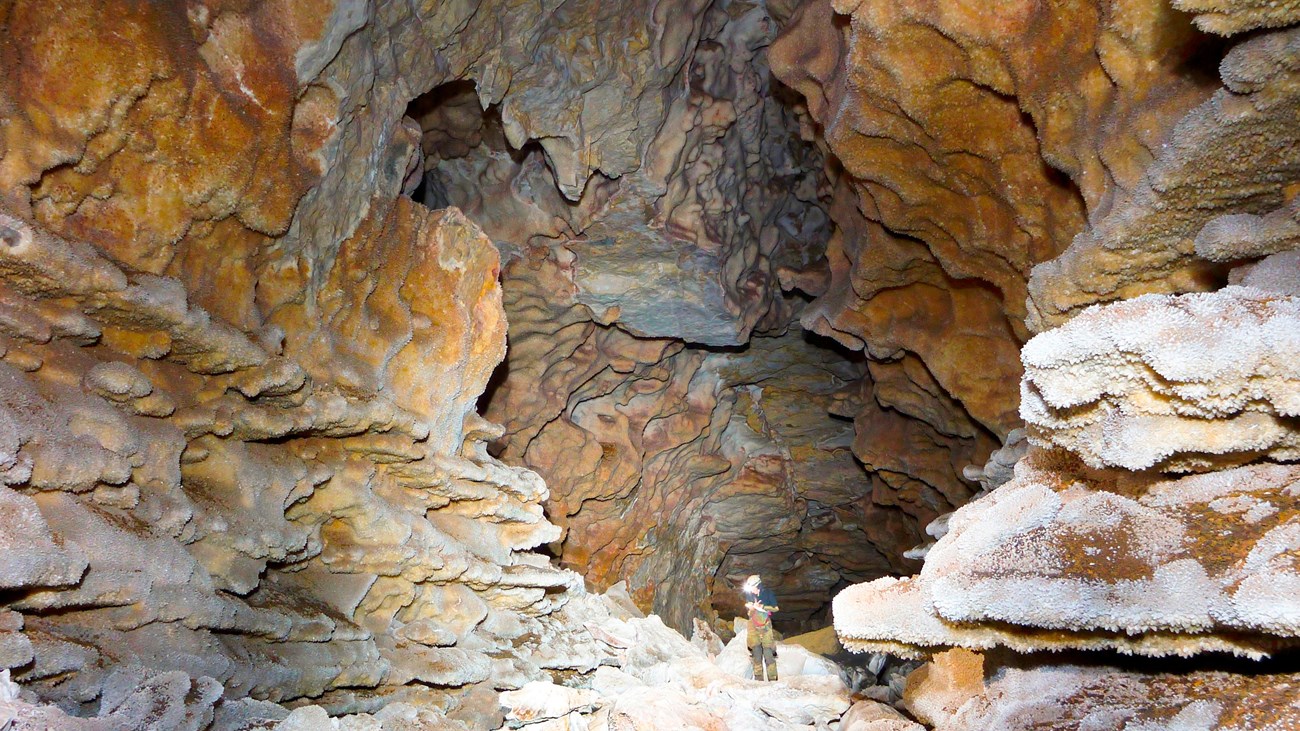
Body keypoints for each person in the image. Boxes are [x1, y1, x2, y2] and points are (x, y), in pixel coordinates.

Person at [742, 574, 779, 681]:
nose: (751, 591)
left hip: (765, 625)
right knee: (756, 654)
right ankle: (758, 680)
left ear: (758, 586)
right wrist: (752, 607)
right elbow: (749, 609)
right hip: (753, 625)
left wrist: (762, 607)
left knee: (768, 654)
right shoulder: (750, 594)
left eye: (752, 588)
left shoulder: (768, 594)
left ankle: (773, 679)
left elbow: (775, 608)